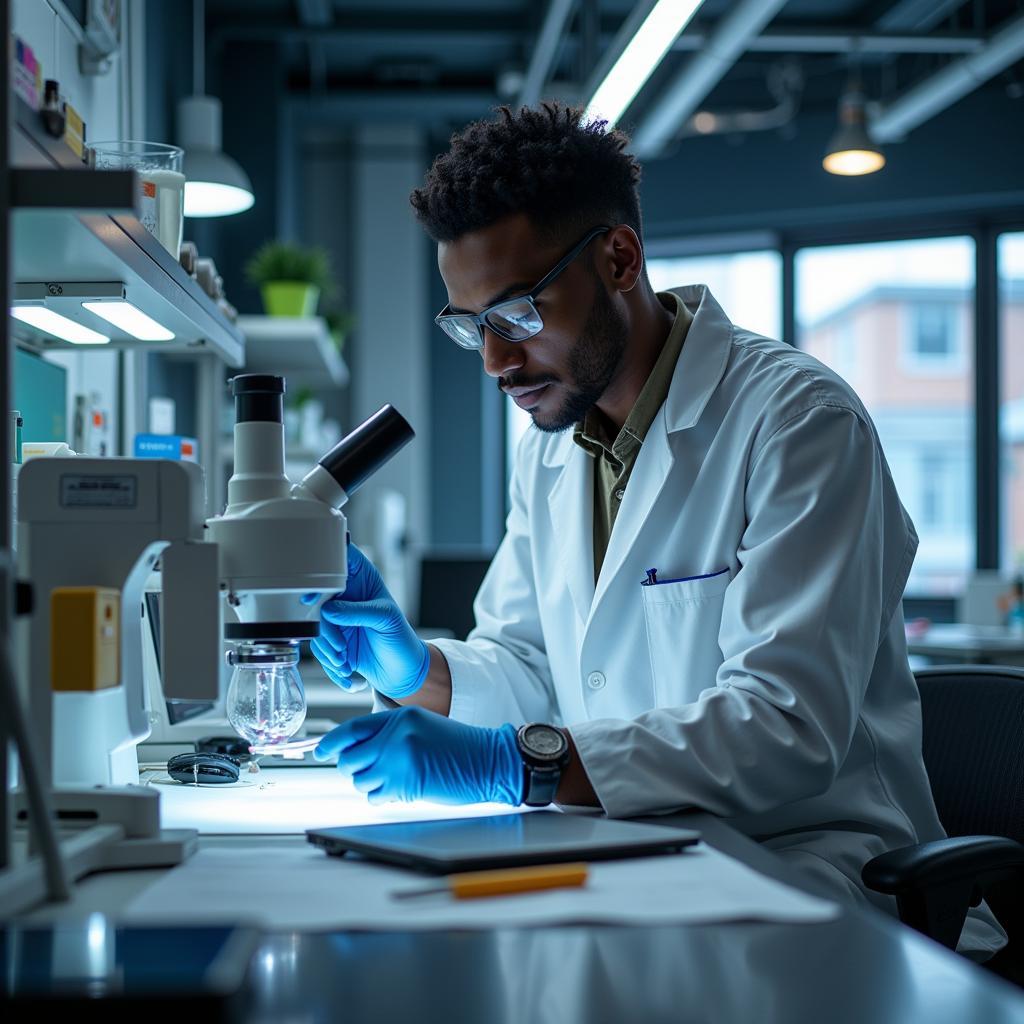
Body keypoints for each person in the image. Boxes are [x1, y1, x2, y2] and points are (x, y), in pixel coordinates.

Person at [308, 103, 1003, 954]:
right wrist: (420, 669)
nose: (494, 361)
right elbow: (531, 662)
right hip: (631, 852)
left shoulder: (798, 424)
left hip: (807, 870)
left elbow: (786, 726)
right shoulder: (554, 448)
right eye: (470, 327)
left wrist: (514, 765)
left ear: (619, 258)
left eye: (518, 313)